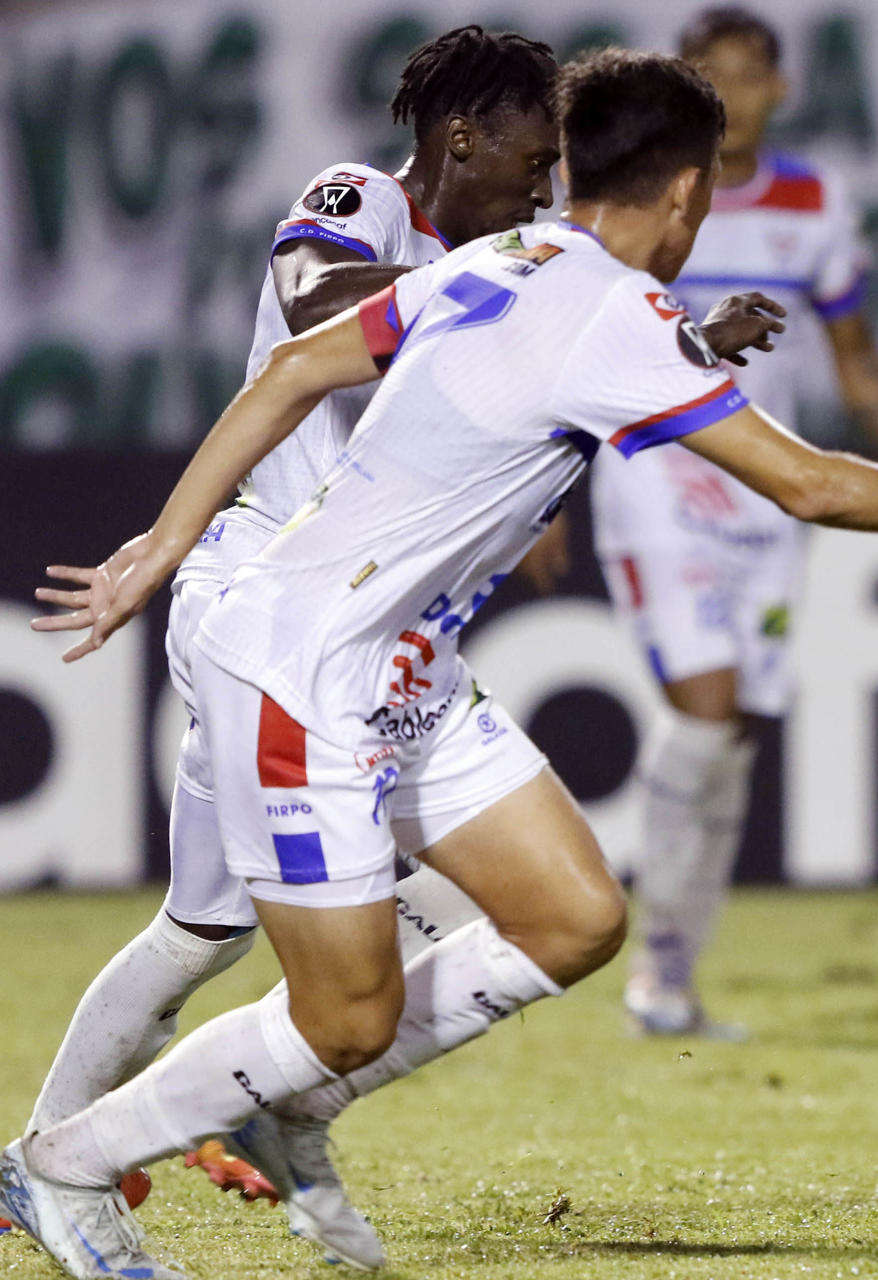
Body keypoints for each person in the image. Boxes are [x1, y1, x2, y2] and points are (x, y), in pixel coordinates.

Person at [4, 51, 878, 1280]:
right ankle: (67, 1163)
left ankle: (282, 1092)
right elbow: (809, 484)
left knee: (573, 914)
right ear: (686, 194)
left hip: (402, 665)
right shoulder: (580, 298)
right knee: (335, 1007)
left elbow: (300, 366)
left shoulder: (505, 262)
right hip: (307, 668)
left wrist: (163, 543)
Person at [8, 24, 564, 1265]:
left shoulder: (500, 263)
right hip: (271, 608)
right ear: (460, 136)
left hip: (351, 622)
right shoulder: (363, 200)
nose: (548, 188)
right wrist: (492, 276)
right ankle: (138, 1137)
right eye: (536, 157)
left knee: (205, 925)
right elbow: (317, 302)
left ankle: (90, 1141)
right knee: (482, 891)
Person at [586, 5, 878, 1037]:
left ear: (779, 89)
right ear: (685, 84)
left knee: (736, 727)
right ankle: (650, 971)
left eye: (751, 74)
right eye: (713, 73)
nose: (735, 92)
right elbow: (579, 344)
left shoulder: (813, 201)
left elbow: (856, 360)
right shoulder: (638, 192)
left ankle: (676, 974)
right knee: (707, 709)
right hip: (653, 475)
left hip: (765, 492)